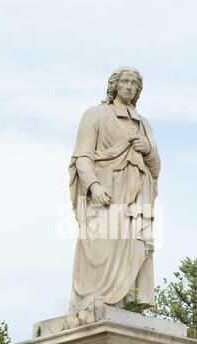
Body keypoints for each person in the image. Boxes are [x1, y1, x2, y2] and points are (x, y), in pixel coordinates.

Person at [68, 67, 161, 321]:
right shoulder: (95, 115)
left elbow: (155, 169)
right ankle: (92, 299)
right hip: (106, 194)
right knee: (99, 247)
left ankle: (127, 301)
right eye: (126, 81)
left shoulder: (143, 124)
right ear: (115, 85)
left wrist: (149, 151)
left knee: (132, 247)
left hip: (136, 199)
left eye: (135, 84)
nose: (130, 87)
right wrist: (94, 186)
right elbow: (82, 158)